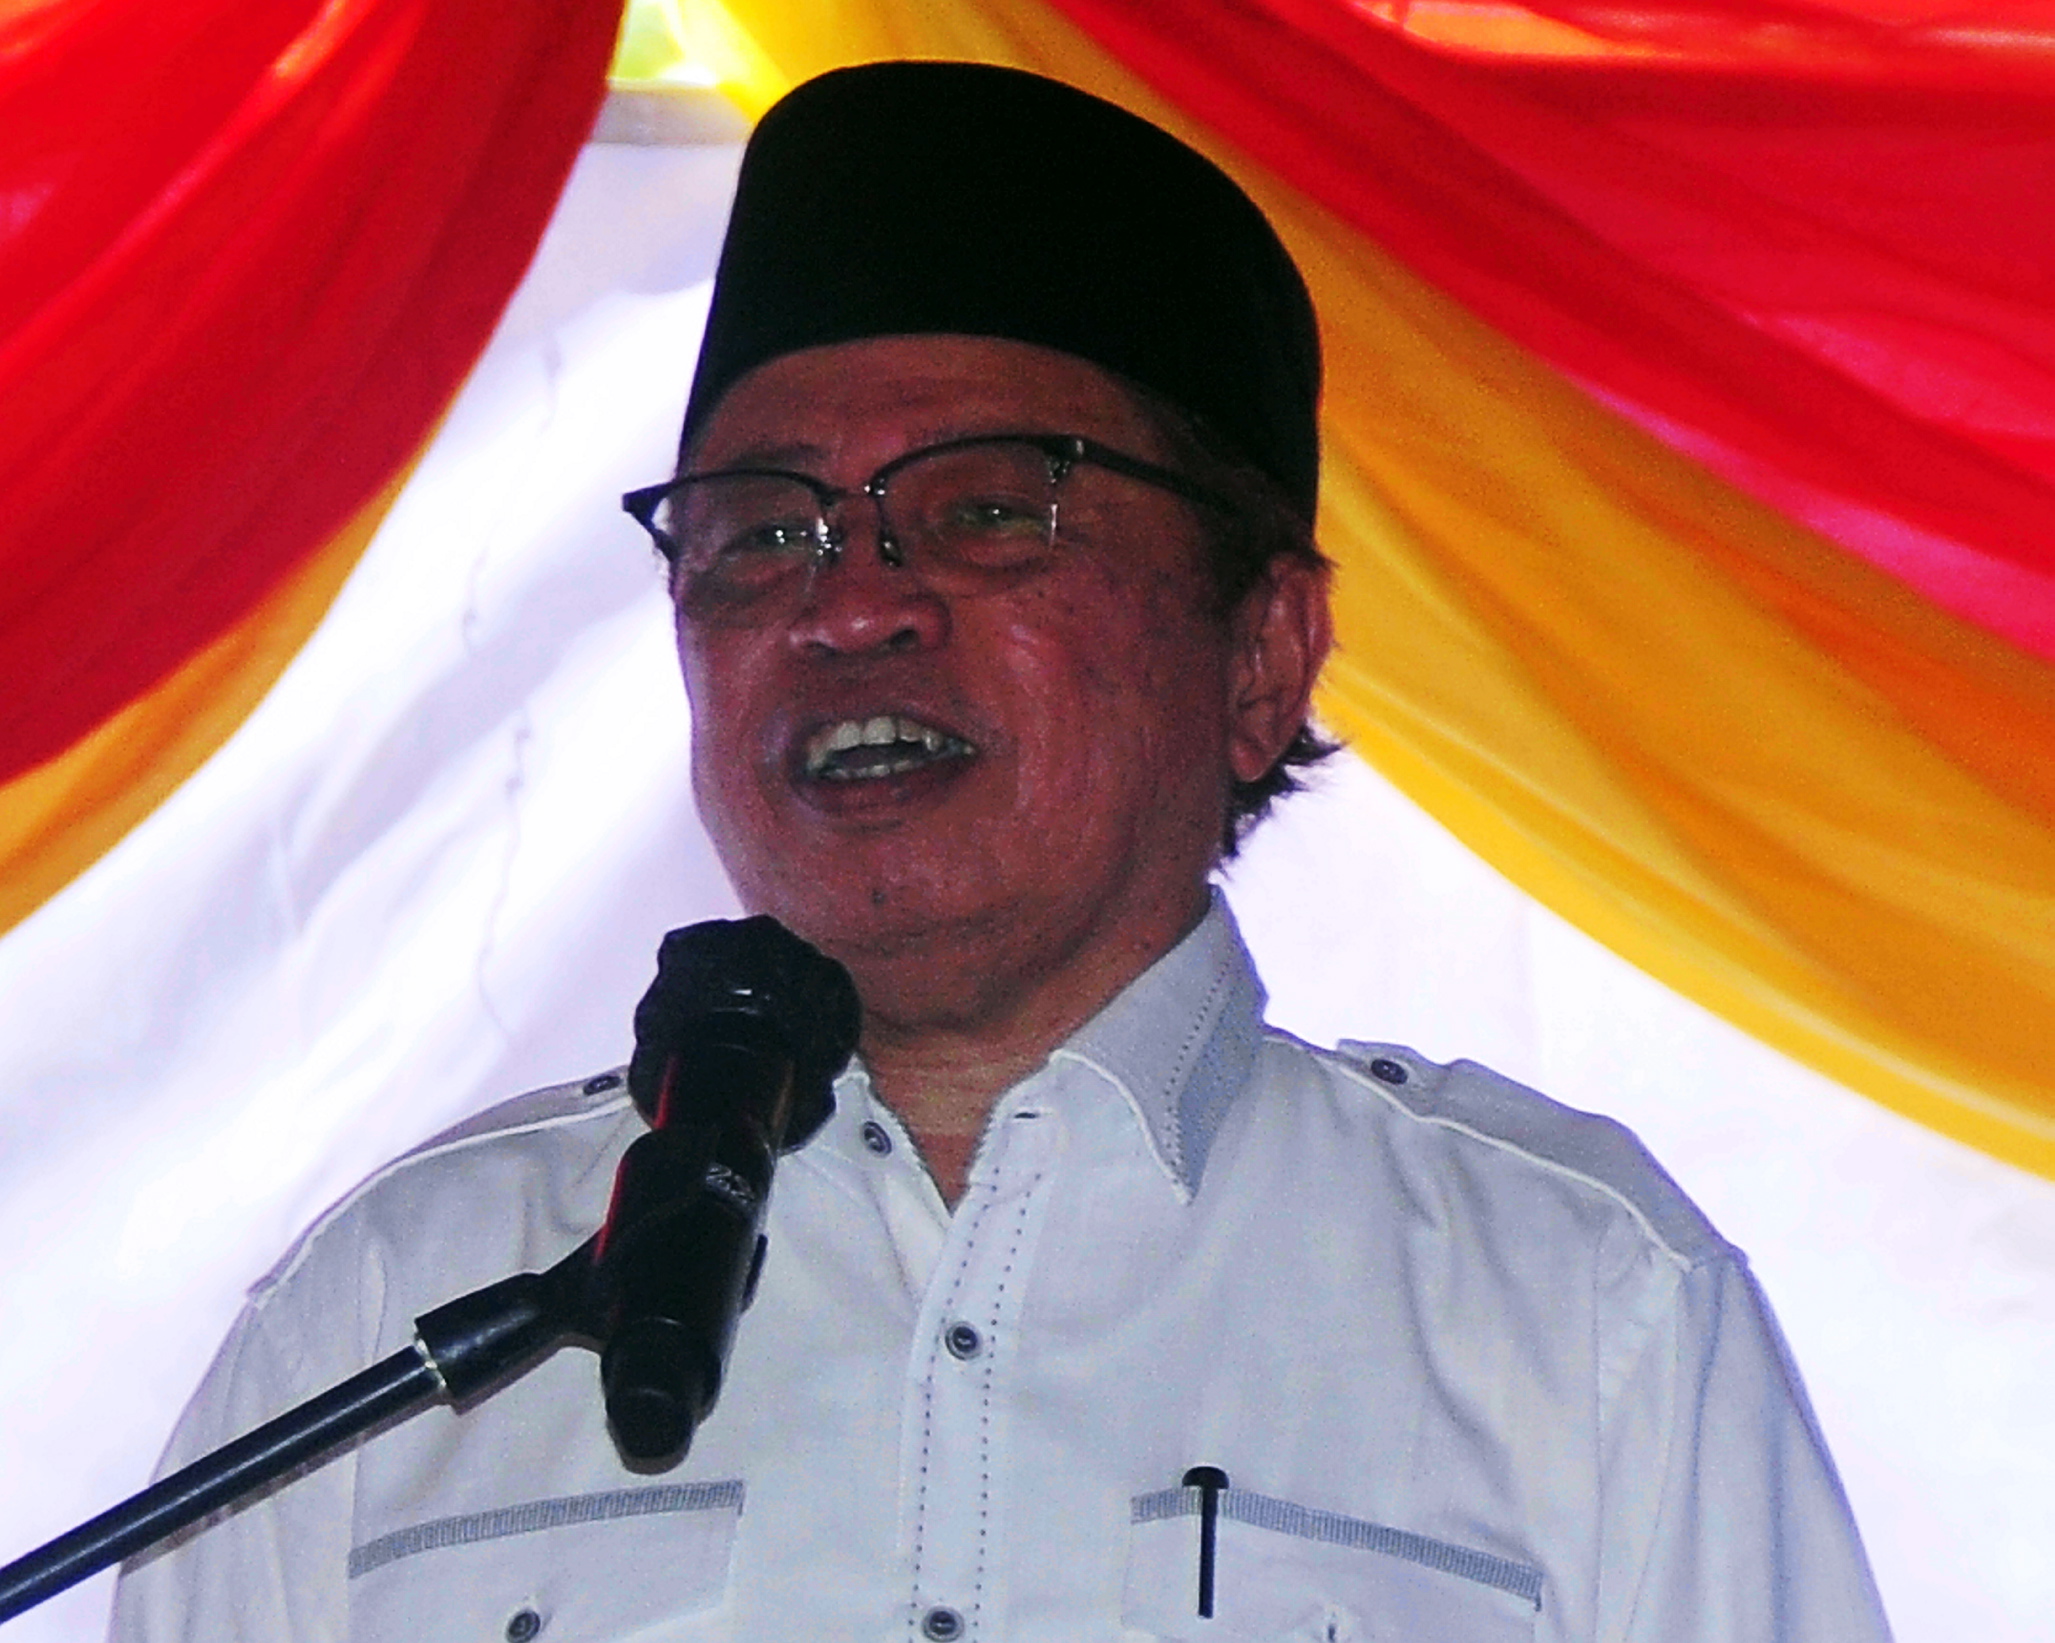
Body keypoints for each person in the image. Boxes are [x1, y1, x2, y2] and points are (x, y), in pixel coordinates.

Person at [111, 62, 1891, 1643]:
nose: (850, 606)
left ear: (1259, 658)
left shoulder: (1581, 1309)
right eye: (761, 533)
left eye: (983, 509)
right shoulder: (397, 1320)